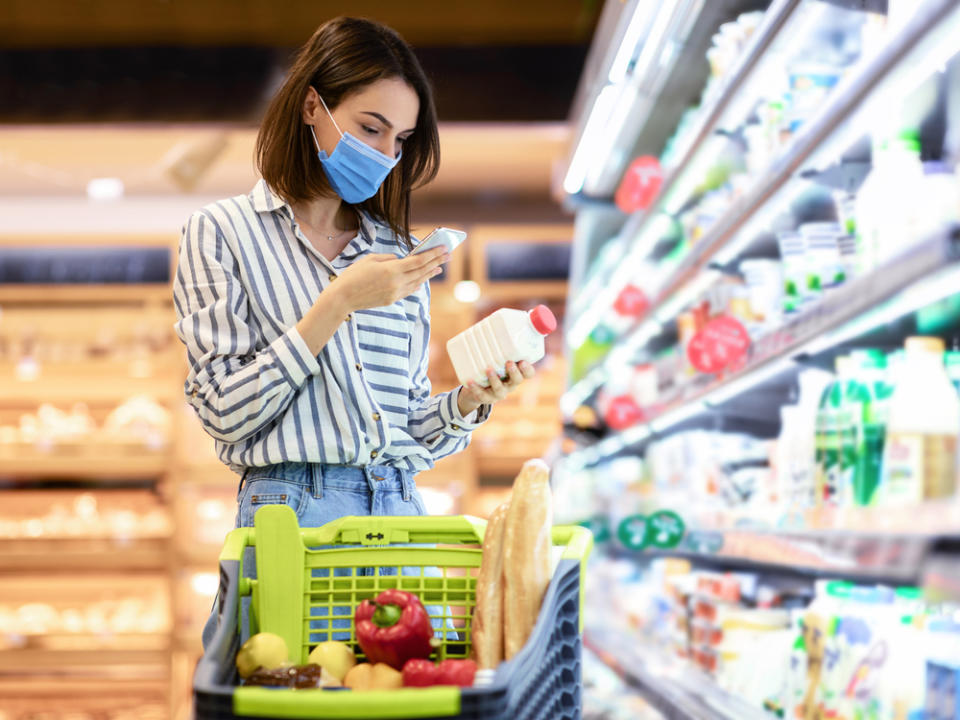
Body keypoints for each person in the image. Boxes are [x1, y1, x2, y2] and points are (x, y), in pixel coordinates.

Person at [173, 17, 536, 645]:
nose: (386, 154)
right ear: (314, 105)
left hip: (399, 512)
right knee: (289, 692)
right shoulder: (222, 233)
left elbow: (406, 436)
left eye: (401, 139)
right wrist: (335, 303)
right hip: (293, 515)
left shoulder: (396, 256)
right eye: (370, 128)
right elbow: (224, 414)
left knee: (394, 699)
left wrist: (468, 403)